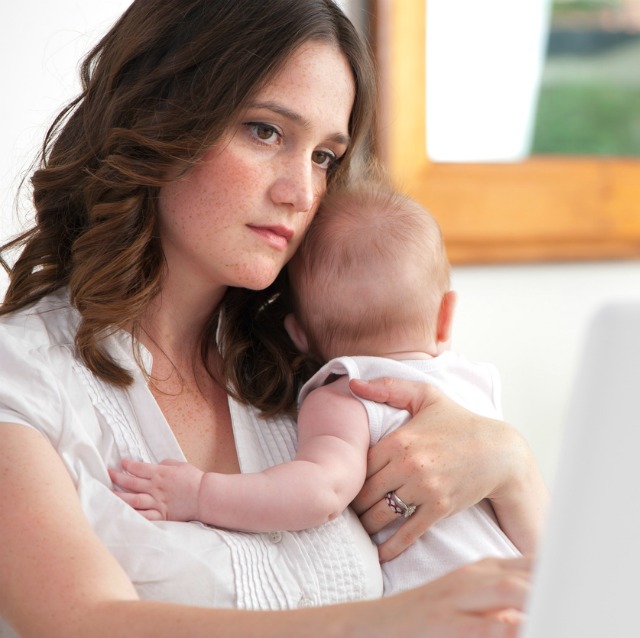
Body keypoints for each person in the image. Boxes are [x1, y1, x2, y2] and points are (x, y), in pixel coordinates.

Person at [0, 1, 548, 636]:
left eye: (324, 157)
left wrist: (512, 465)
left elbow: (554, 595)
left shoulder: (316, 365)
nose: (302, 192)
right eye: (266, 131)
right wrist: (387, 623)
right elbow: (81, 623)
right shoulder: (23, 381)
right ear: (160, 116)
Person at [111, 182, 526, 595]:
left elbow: (320, 492)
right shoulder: (474, 384)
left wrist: (200, 494)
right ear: (446, 315)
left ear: (298, 335)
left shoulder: (349, 392)